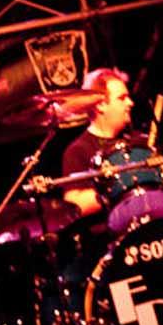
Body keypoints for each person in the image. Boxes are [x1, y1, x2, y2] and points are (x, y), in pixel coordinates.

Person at [62, 67, 135, 219]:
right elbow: (75, 204)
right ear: (100, 105)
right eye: (122, 98)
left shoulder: (137, 140)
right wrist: (119, 185)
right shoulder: (78, 151)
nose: (130, 103)